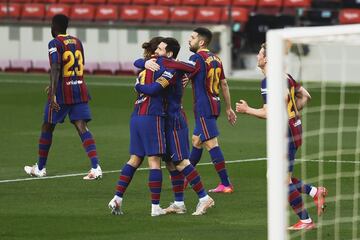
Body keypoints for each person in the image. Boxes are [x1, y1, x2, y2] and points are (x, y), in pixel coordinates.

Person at [235, 43, 328, 230]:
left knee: (279, 180)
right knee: (278, 176)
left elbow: (269, 113)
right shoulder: (286, 76)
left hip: (285, 134)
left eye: (260, 54)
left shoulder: (269, 81)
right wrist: (291, 110)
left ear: (267, 58)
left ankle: (306, 220)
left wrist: (247, 110)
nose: (257, 57)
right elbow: (305, 96)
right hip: (296, 128)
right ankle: (314, 191)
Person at [135, 37, 215, 216]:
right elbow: (137, 61)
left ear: (169, 53)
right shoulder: (166, 65)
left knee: (180, 162)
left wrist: (138, 86)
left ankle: (204, 198)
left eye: (161, 49)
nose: (157, 52)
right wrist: (146, 62)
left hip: (175, 120)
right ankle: (179, 203)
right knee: (171, 163)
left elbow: (155, 88)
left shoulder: (171, 69)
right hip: (165, 120)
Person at [24, 14, 102, 180]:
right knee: (82, 126)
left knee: (47, 126)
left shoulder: (54, 43)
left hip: (62, 93)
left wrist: (53, 91)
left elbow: (56, 66)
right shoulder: (77, 41)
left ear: (53, 27)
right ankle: (96, 167)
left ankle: (40, 167)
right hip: (79, 88)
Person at [108, 36, 168, 217]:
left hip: (136, 116)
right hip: (152, 116)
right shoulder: (161, 65)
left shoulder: (144, 66)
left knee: (134, 159)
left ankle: (117, 198)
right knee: (154, 161)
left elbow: (137, 62)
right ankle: (155, 207)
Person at [186, 27, 237, 193]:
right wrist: (228, 108)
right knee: (196, 140)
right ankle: (187, 178)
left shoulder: (196, 58)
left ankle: (226, 184)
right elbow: (224, 84)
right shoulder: (216, 58)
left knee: (211, 144)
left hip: (203, 106)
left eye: (192, 37)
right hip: (215, 104)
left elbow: (184, 79)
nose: (189, 40)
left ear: (201, 42)